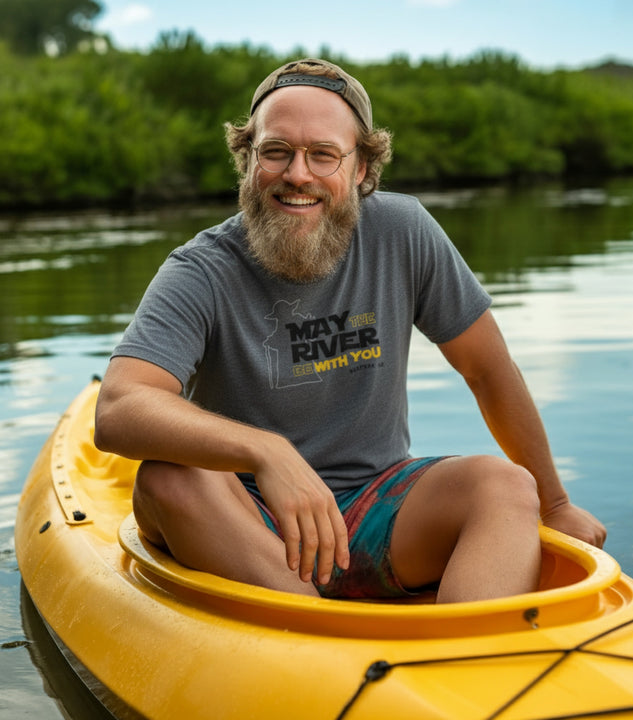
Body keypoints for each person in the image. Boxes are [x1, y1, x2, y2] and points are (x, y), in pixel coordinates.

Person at [94, 58, 606, 604]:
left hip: (377, 509)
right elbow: (119, 408)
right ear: (246, 160)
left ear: (361, 168)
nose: (298, 174)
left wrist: (554, 506)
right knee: (169, 477)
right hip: (245, 521)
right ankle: (316, 635)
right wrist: (266, 453)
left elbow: (487, 368)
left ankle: (463, 657)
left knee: (505, 486)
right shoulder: (199, 270)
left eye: (323, 155)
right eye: (275, 151)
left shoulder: (404, 231)